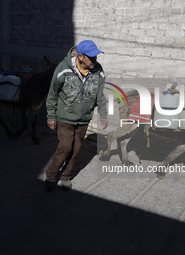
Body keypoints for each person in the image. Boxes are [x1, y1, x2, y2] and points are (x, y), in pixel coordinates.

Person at [45, 40, 108, 192]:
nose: (95, 60)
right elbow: (52, 93)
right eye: (91, 57)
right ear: (80, 57)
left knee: (76, 149)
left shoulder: (98, 71)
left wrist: (103, 114)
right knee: (65, 147)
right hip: (65, 117)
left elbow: (100, 95)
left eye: (95, 57)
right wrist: (51, 116)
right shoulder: (63, 68)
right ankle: (51, 175)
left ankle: (66, 176)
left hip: (84, 118)